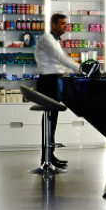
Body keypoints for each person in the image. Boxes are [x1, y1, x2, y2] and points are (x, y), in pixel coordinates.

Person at [34, 13, 80, 169]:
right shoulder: (47, 39)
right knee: (49, 120)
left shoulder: (54, 40)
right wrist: (82, 69)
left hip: (53, 81)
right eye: (61, 23)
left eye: (65, 24)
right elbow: (61, 58)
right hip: (48, 83)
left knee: (52, 120)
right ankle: (45, 158)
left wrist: (68, 71)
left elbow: (58, 62)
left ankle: (49, 156)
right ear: (53, 24)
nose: (64, 26)